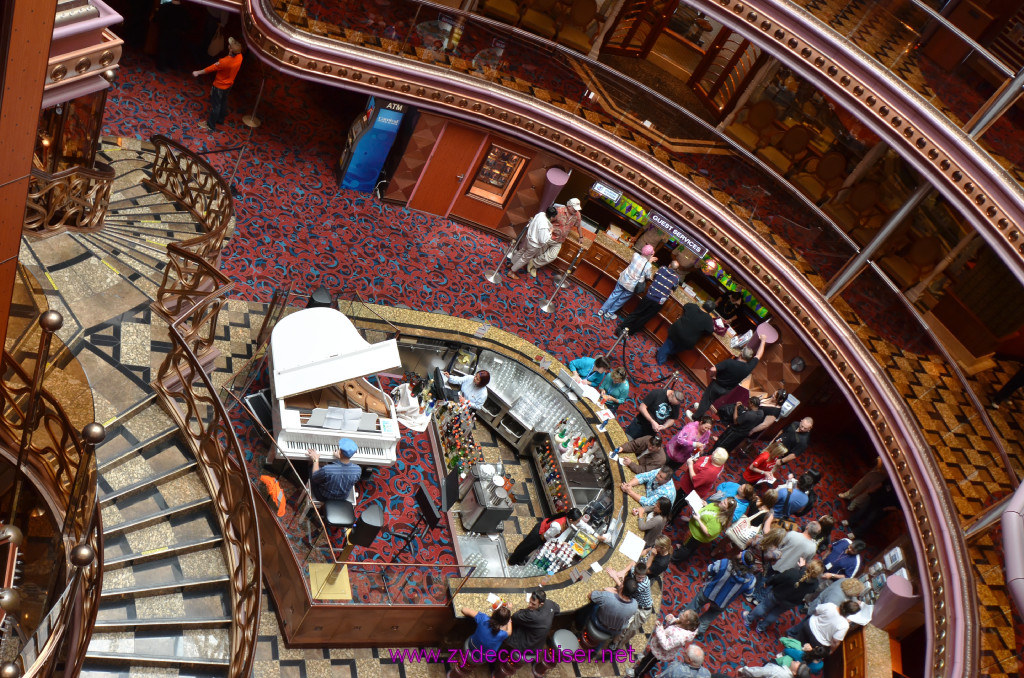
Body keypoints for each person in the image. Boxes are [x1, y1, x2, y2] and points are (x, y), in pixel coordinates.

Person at [682, 552, 757, 637]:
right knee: (709, 616)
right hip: (722, 602)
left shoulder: (725, 563)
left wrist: (705, 576)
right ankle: (698, 631)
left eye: (741, 553)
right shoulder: (751, 580)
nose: (739, 552)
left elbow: (710, 569)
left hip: (708, 592)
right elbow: (748, 594)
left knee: (696, 604)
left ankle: (683, 619)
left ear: (740, 561)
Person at [691, 339, 768, 421]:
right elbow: (759, 355)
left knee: (706, 400)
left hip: (716, 385)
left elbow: (713, 369)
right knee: (710, 400)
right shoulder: (749, 367)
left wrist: (712, 375)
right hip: (726, 390)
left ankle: (695, 417)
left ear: (741, 353)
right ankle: (700, 410)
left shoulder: (730, 362)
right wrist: (763, 340)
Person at [744, 560, 824, 633]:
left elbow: (777, 578)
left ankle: (748, 619)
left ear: (809, 565)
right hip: (789, 603)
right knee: (775, 614)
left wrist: (767, 583)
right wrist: (803, 568)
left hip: (777, 594)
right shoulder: (814, 585)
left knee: (764, 607)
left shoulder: (793, 572)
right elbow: (807, 583)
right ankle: (760, 628)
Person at [616, 259, 681, 336]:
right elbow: (674, 289)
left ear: (669, 265)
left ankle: (621, 327)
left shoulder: (662, 269)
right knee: (645, 318)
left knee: (636, 313)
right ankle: (630, 332)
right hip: (658, 302)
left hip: (650, 296)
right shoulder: (676, 278)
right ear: (676, 270)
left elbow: (654, 277)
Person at [192, 36, 244, 131]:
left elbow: (210, 69)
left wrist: (198, 72)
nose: (228, 45)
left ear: (231, 50)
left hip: (219, 86)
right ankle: (220, 119)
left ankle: (210, 125)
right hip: (229, 85)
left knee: (216, 105)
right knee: (223, 102)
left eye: (230, 45)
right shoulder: (240, 57)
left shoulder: (224, 62)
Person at [629, 609, 698, 677]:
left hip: (661, 652)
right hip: (658, 647)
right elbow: (675, 622)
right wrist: (670, 618)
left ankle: (637, 673)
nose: (681, 614)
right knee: (649, 657)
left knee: (648, 663)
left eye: (684, 615)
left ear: (687, 622)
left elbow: (666, 645)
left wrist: (659, 628)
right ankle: (644, 659)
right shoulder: (683, 623)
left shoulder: (680, 637)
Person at [670, 497, 737, 563]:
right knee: (687, 542)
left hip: (698, 536)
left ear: (727, 509)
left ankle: (674, 558)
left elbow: (708, 533)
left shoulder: (718, 521)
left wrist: (698, 520)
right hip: (694, 530)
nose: (722, 501)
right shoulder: (718, 506)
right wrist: (706, 505)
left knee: (687, 548)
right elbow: (711, 512)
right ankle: (682, 547)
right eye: (724, 500)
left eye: (724, 503)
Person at [507, 508, 583, 566]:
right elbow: (547, 537)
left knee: (527, 548)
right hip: (539, 535)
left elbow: (581, 524)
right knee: (525, 547)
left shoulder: (567, 517)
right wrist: (561, 543)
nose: (579, 522)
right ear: (571, 520)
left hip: (544, 530)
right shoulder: (558, 527)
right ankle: (512, 561)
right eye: (578, 521)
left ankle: (520, 558)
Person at [598, 245, 656, 320]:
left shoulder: (635, 255)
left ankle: (602, 310)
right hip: (631, 286)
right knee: (621, 300)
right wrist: (650, 261)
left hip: (623, 280)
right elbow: (648, 277)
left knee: (614, 295)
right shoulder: (648, 265)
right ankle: (609, 313)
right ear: (650, 255)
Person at [670, 448, 730, 520]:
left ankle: (670, 517)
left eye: (714, 453)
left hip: (689, 490)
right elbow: (705, 461)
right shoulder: (717, 461)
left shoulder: (710, 472)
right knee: (676, 497)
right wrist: (696, 461)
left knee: (678, 504)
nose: (713, 452)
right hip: (687, 483)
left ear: (716, 459)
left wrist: (690, 465)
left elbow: (694, 480)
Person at [530, 198, 583, 276]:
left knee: (552, 256)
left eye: (577, 209)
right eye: (574, 209)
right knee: (540, 253)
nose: (576, 211)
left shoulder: (577, 214)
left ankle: (533, 263)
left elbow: (578, 226)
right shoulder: (559, 211)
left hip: (560, 240)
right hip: (549, 237)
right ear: (569, 206)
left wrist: (581, 237)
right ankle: (533, 267)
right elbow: (547, 221)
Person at [657, 300, 716, 365]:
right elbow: (710, 331)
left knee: (668, 345)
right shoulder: (708, 319)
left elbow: (685, 306)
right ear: (710, 311)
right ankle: (663, 353)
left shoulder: (692, 306)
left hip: (676, 330)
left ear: (703, 304)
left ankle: (661, 358)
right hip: (687, 340)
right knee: (677, 347)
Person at [785, 600, 862, 650]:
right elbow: (835, 641)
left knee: (796, 642)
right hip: (818, 642)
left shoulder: (830, 606)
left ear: (845, 603)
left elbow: (816, 611)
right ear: (851, 614)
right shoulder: (844, 625)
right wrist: (832, 651)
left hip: (808, 626)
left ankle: (787, 650)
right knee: (803, 652)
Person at [508, 207, 557, 279]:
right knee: (524, 259)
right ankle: (512, 272)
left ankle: (511, 264)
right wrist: (550, 232)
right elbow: (542, 240)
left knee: (521, 251)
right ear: (552, 217)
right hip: (534, 245)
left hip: (528, 239)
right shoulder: (545, 226)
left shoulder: (541, 214)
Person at [738, 661, 811, 677]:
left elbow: (756, 672)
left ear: (795, 673)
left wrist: (743, 670)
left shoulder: (777, 670)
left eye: (799, 664)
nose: (798, 661)